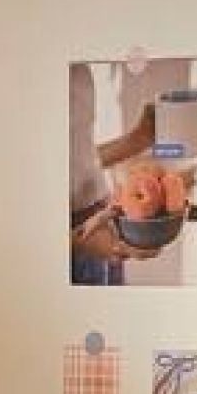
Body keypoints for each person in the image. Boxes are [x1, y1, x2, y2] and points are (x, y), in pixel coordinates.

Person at [71, 74, 165, 284]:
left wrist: (137, 139)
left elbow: (74, 160)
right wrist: (75, 240)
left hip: (99, 221)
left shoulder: (79, 71)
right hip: (77, 242)